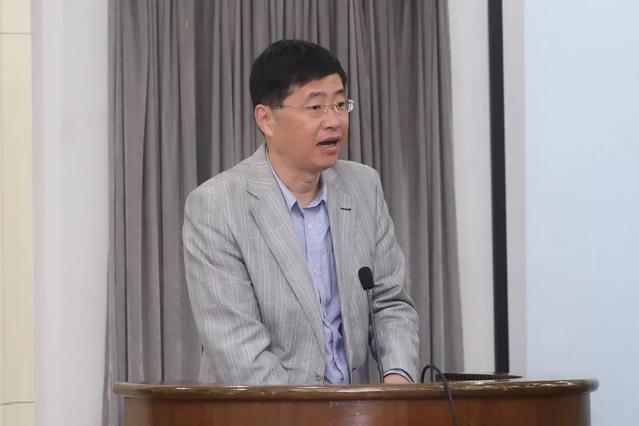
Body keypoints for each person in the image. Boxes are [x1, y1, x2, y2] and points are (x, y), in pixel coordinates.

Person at [183, 39, 419, 385]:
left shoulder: (363, 187)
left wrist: (397, 382)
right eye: (315, 107)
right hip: (261, 409)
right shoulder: (217, 206)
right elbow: (237, 345)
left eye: (340, 104)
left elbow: (390, 303)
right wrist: (310, 411)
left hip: (356, 407)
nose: (334, 121)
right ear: (266, 119)